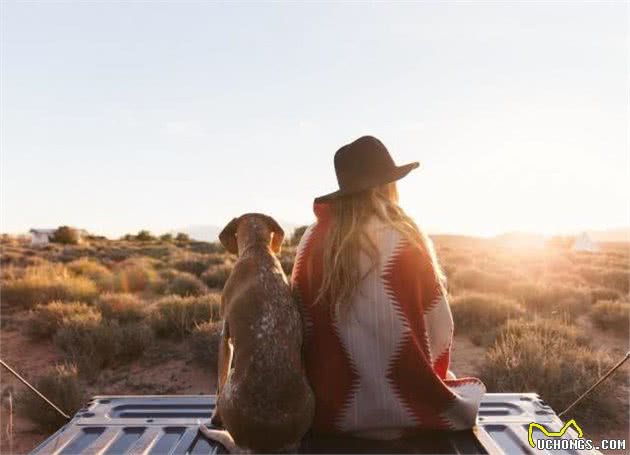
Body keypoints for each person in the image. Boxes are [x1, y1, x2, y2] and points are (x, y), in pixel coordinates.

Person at [291, 136, 485, 439]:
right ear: (388, 186)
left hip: (328, 414)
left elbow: (300, 328)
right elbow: (440, 328)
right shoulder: (405, 239)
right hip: (412, 412)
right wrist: (420, 377)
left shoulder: (312, 242)